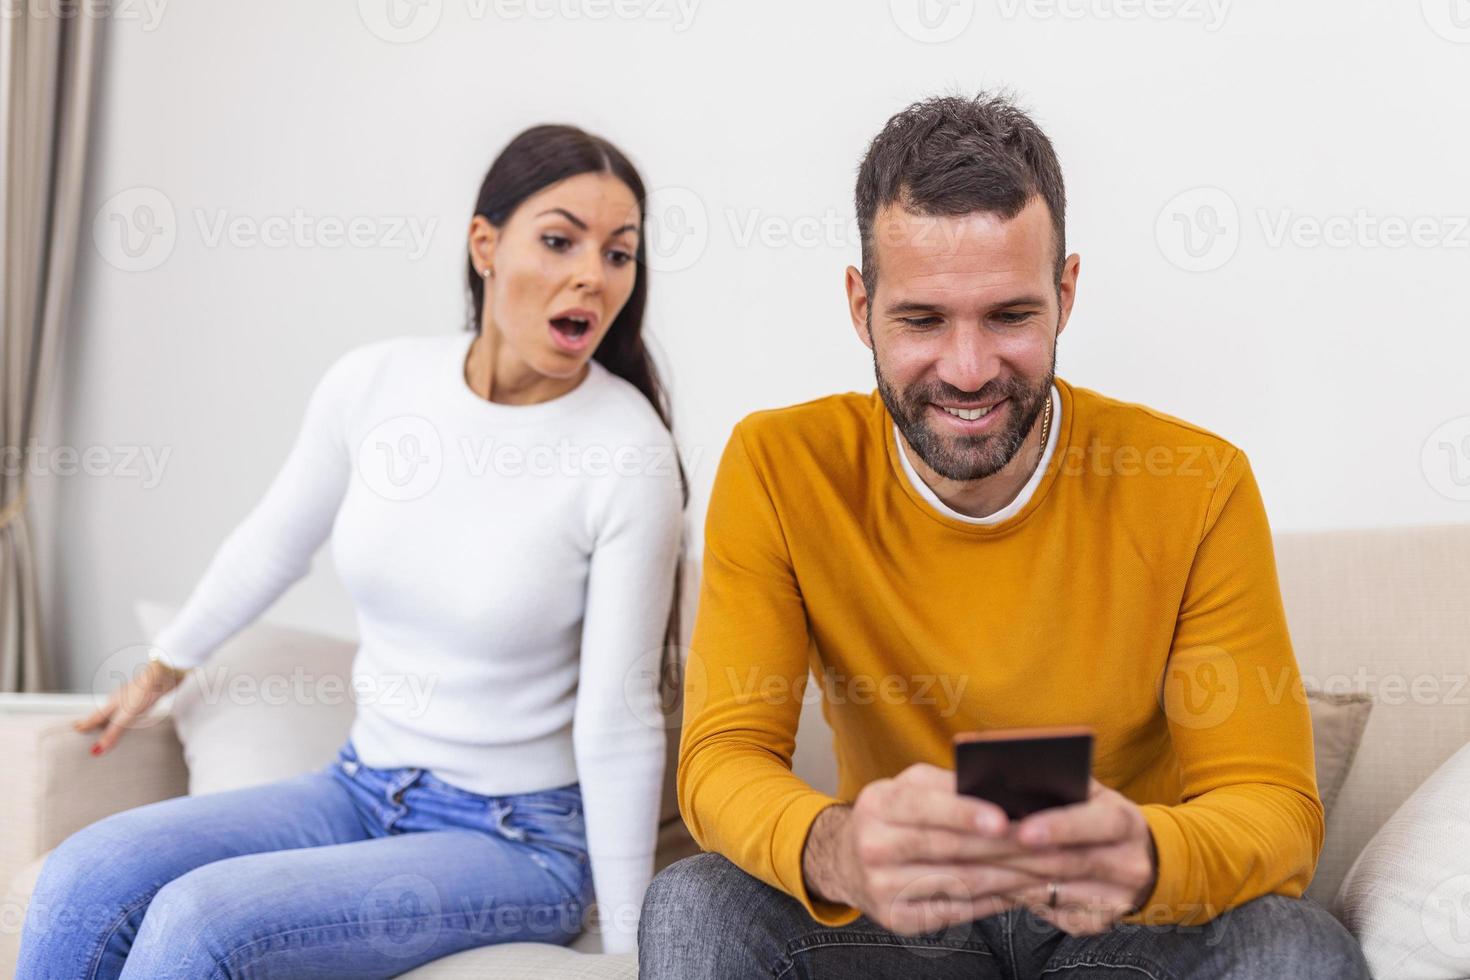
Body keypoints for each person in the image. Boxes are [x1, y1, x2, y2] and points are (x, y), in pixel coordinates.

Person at [638, 92, 1370, 979]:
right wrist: (836, 850)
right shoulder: (780, 466)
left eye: (1009, 315)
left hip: (1121, 925)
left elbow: (1274, 811)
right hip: (900, 926)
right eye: (922, 320)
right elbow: (722, 759)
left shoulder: (1198, 483)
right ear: (860, 305)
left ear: (1064, 294)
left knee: (1296, 950)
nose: (969, 368)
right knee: (693, 904)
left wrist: (1141, 855)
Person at [18, 124, 684, 978]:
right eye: (559, 240)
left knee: (200, 925)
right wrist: (162, 667)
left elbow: (619, 718)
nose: (594, 274)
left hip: (517, 839)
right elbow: (272, 544)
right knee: (86, 877)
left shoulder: (626, 452)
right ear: (485, 245)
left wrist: (627, 950)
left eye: (619, 254)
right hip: (359, 786)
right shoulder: (376, 384)